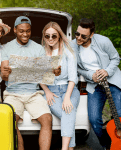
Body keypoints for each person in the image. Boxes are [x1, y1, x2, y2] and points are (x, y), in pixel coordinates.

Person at [1, 16, 61, 150]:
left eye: (28, 31)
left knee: (47, 119)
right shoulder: (6, 48)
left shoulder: (38, 48)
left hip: (34, 94)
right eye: (21, 31)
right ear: (15, 30)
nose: (25, 34)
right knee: (10, 121)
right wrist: (5, 73)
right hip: (13, 93)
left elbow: (45, 73)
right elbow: (3, 76)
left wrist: (54, 71)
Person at [70, 18, 121, 149]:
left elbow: (115, 58)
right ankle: (108, 145)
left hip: (112, 81)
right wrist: (90, 75)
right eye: (77, 34)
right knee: (94, 120)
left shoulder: (103, 41)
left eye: (83, 36)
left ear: (91, 35)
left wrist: (106, 71)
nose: (78, 38)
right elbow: (75, 68)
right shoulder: (73, 45)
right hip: (94, 86)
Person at [39, 22, 80, 150]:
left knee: (68, 111)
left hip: (70, 89)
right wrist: (47, 91)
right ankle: (70, 148)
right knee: (68, 115)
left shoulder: (68, 52)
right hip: (51, 91)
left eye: (54, 36)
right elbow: (39, 77)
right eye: (47, 36)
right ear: (44, 37)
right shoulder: (42, 53)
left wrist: (67, 96)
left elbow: (73, 78)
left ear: (59, 36)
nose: (50, 39)